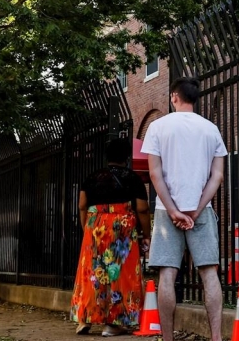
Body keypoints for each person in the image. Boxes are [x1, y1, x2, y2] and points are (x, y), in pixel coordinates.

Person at [141, 77, 227, 341]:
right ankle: (215, 337)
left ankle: (167, 338)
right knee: (209, 273)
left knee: (167, 274)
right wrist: (197, 209)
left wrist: (174, 210)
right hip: (201, 211)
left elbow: (154, 175)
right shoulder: (211, 129)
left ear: (174, 97)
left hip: (168, 213)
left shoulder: (157, 127)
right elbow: (217, 176)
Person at [71, 137, 151, 337]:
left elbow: (82, 205)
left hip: (94, 225)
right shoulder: (132, 178)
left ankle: (84, 318)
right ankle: (114, 323)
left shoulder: (92, 177)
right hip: (121, 227)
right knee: (120, 273)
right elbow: (142, 208)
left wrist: (87, 228)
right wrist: (146, 234)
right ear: (126, 157)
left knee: (92, 271)